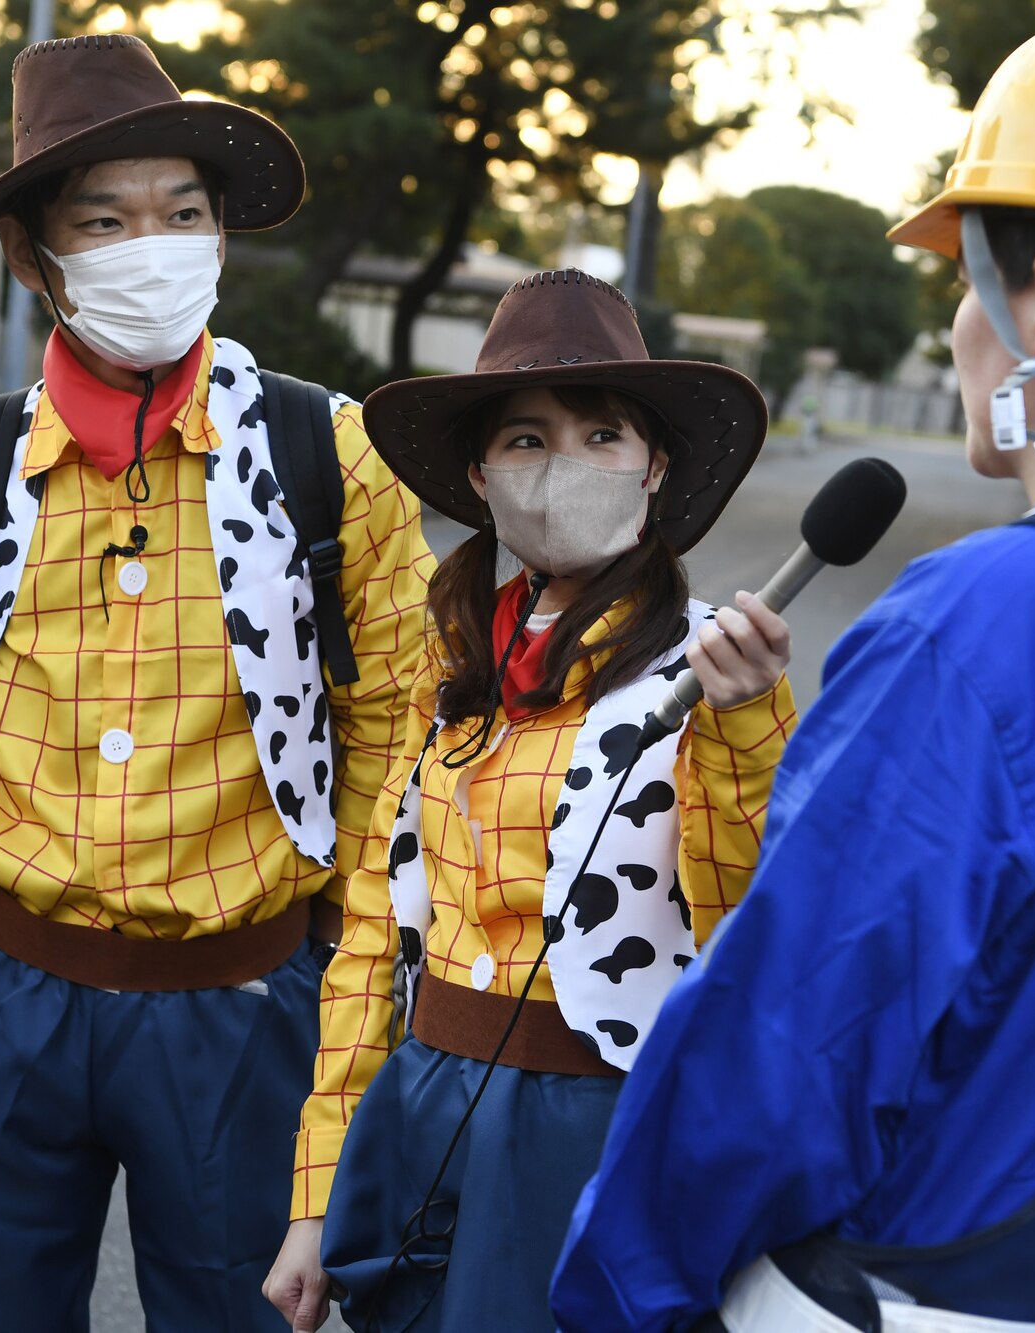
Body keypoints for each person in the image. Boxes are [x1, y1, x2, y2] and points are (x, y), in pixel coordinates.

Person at [550, 4, 1035, 1330]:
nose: (956, 332)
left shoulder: (994, 614)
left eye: (963, 283)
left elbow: (788, 1043)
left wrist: (617, 1292)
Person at [0, 34, 433, 1331]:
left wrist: (349, 1071)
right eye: (103, 219)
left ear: (220, 239)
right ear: (34, 254)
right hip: (7, 1003)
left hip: (244, 1011)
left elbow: (395, 763)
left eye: (182, 212)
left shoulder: (332, 458)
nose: (148, 244)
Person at [260, 270, 799, 1332]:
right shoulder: (447, 663)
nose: (564, 463)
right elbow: (374, 935)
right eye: (525, 438)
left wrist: (745, 722)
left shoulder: (714, 671)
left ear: (654, 466)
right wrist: (311, 1203)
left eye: (602, 436)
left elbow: (759, 915)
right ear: (480, 476)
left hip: (597, 1118)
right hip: (420, 1099)